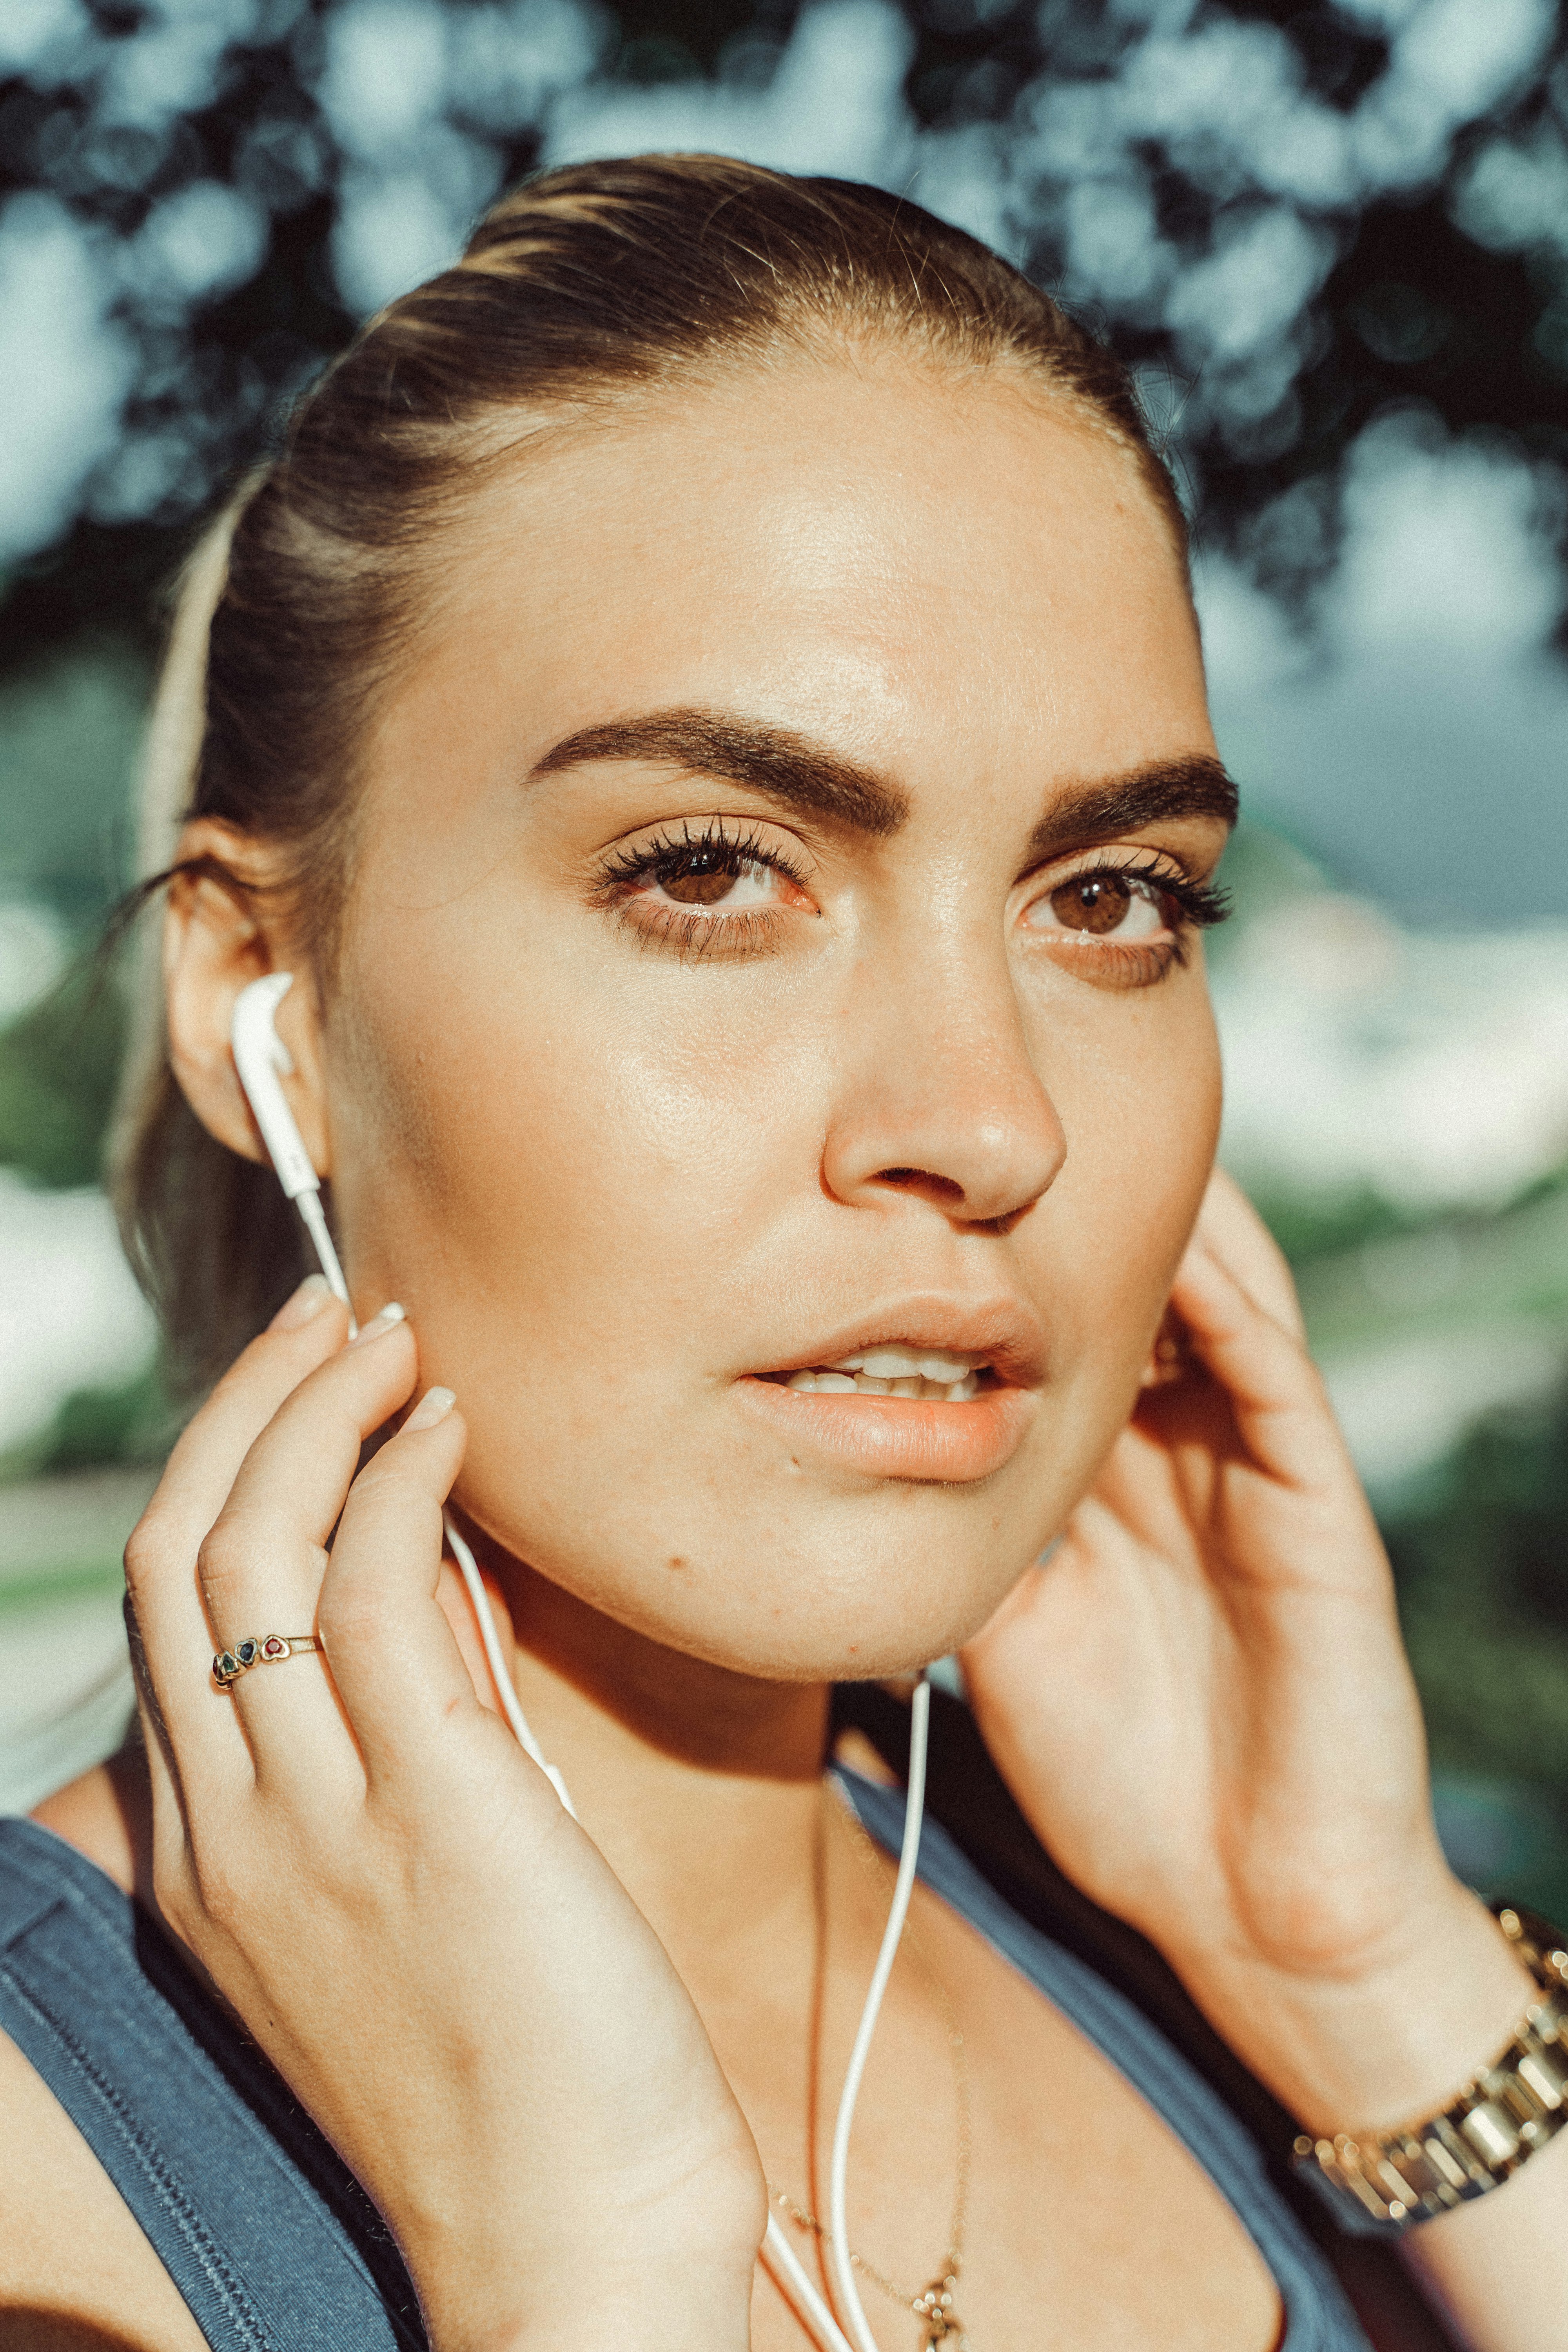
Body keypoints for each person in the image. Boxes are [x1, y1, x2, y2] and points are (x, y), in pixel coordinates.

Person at [0, 156, 1560, 2352]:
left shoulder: (1198, 1978)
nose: (989, 1120)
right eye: (715, 870)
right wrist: (589, 2285)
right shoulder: (52, 2224)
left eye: (1112, 897)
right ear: (268, 1001)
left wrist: (1369, 1969)